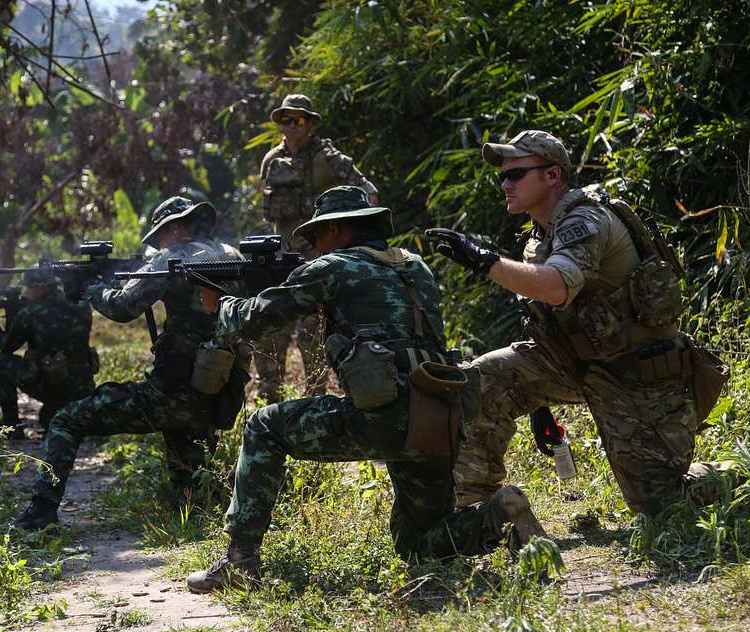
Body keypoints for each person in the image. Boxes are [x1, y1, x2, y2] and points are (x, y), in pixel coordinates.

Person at [186, 186, 545, 593]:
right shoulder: (416, 268)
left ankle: (239, 562)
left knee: (264, 427)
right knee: (417, 543)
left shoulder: (335, 267)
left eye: (317, 237)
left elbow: (257, 319)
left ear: (336, 229)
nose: (313, 247)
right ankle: (499, 510)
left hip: (382, 416)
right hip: (438, 415)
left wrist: (223, 305)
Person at [426, 129, 719, 514]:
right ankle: (479, 513)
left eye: (515, 175)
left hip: (638, 372)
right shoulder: (539, 236)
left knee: (663, 507)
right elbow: (551, 315)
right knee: (485, 378)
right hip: (582, 362)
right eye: (502, 176)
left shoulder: (587, 220)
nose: (505, 184)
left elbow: (557, 287)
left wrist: (486, 261)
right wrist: (536, 401)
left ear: (552, 176)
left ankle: (730, 474)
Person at [14, 196, 247, 531]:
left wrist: (93, 287)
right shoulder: (230, 254)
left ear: (177, 227)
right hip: (216, 390)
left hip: (173, 394)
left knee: (66, 420)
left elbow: (122, 308)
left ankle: (40, 511)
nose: (158, 247)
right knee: (191, 486)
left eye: (161, 238)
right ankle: (198, 512)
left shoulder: (172, 257)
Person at [256, 93, 379, 403]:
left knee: (313, 335)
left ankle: (314, 404)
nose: (291, 125)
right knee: (271, 331)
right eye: (286, 119)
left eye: (298, 119)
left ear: (310, 123)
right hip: (281, 260)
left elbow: (370, 195)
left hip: (318, 260)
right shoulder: (271, 160)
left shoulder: (330, 158)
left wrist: (352, 245)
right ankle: (270, 406)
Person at [0, 267, 96, 440]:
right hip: (81, 387)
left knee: (1, 361)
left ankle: (11, 426)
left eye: (28, 287)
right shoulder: (82, 304)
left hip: (51, 384)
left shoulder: (30, 313)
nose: (26, 292)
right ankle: (60, 413)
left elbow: (6, 345)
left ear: (40, 288)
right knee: (48, 419)